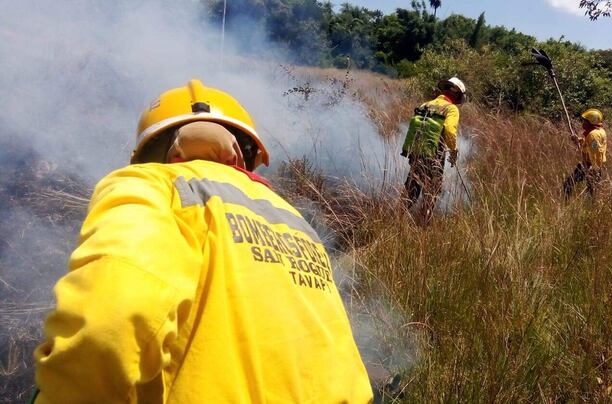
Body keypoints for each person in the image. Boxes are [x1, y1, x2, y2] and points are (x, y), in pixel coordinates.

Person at [33, 79, 373, 403]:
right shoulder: (295, 221)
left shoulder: (149, 184)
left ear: (154, 152)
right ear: (246, 155)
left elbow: (107, 325)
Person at [401, 76, 466, 222]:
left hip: (415, 152)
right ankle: (423, 224)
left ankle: (398, 217)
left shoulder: (426, 104)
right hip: (434, 155)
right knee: (432, 191)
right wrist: (454, 151)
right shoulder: (451, 108)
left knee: (412, 187)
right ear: (457, 95)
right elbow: (449, 130)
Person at [563, 108, 608, 198]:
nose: (583, 123)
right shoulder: (599, 131)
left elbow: (596, 152)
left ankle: (567, 202)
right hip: (590, 165)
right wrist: (578, 140)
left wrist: (593, 169)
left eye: (585, 121)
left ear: (591, 122)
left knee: (587, 192)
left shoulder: (593, 135)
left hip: (591, 167)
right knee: (589, 192)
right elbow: (588, 144)